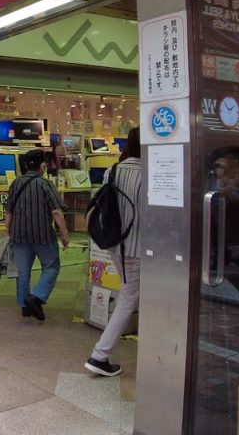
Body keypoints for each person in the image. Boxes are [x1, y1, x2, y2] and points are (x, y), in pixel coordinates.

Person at [85, 127, 142, 377]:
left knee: (130, 294)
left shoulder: (112, 171)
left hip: (114, 244)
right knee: (128, 298)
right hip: (140, 247)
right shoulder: (152, 173)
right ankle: (100, 355)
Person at [5, 149, 70, 322]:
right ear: (42, 165)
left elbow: (9, 211)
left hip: (19, 235)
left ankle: (25, 307)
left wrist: (8, 230)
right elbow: (56, 212)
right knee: (51, 266)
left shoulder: (16, 183)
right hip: (43, 235)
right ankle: (36, 296)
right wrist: (64, 233)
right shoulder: (45, 184)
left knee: (23, 272)